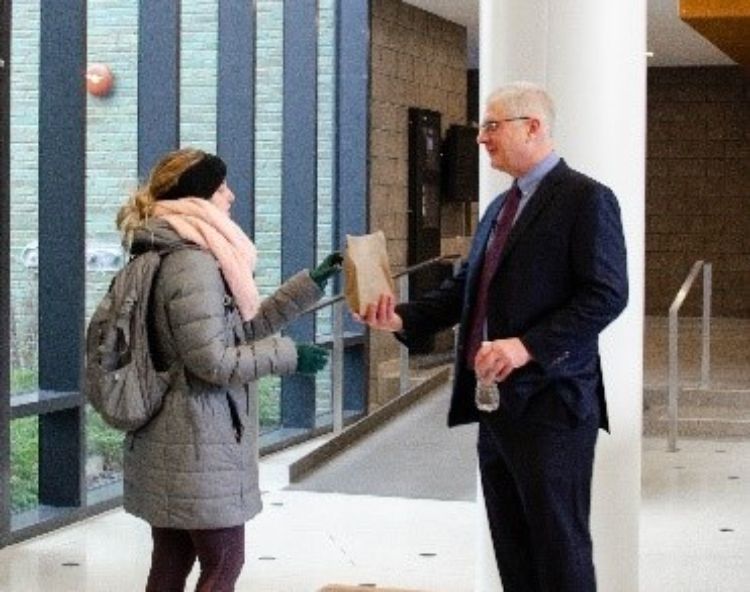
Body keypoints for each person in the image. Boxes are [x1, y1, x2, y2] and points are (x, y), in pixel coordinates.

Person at [357, 82, 628, 592]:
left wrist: (526, 346)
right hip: (496, 406)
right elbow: (464, 292)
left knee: (559, 549)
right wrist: (399, 319)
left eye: (491, 125)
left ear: (534, 127)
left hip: (553, 405)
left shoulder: (586, 199)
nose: (480, 138)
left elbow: (606, 294)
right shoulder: (499, 209)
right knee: (513, 549)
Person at [116, 147, 341, 592]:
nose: (231, 196)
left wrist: (307, 286)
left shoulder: (167, 250)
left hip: (174, 438)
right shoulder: (192, 263)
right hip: (197, 439)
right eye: (221, 188)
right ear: (198, 198)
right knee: (223, 564)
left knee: (172, 561)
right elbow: (211, 361)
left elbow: (236, 331)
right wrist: (288, 356)